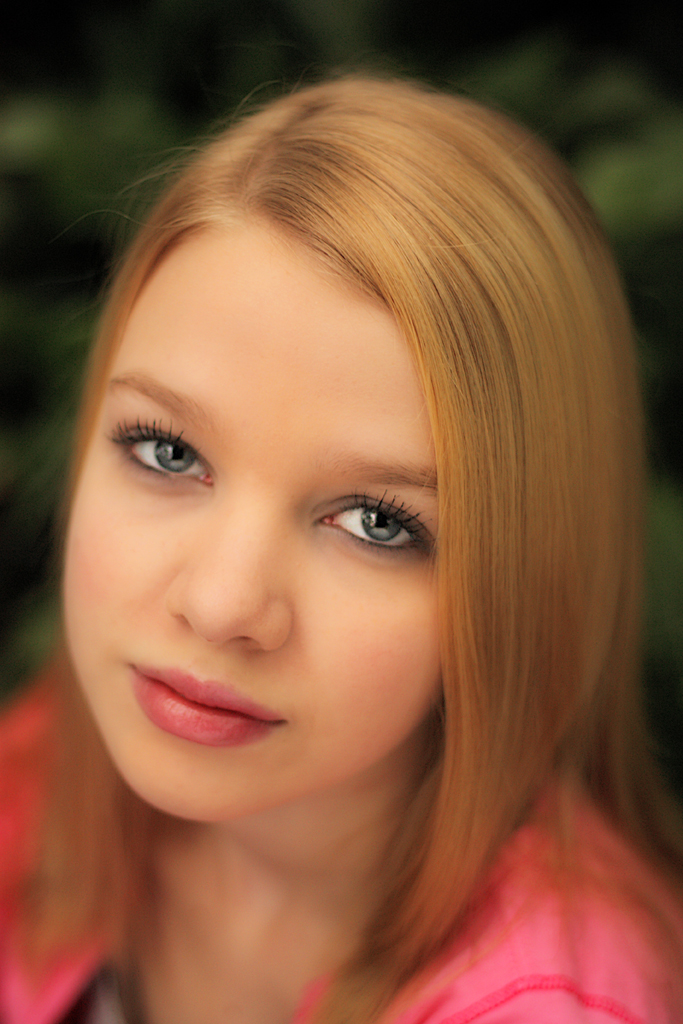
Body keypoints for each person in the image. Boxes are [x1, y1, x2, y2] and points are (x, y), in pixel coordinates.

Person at [0, 74, 682, 1024]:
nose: (222, 603)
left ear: (519, 585)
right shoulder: (38, 775)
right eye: (167, 451)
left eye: (376, 522)